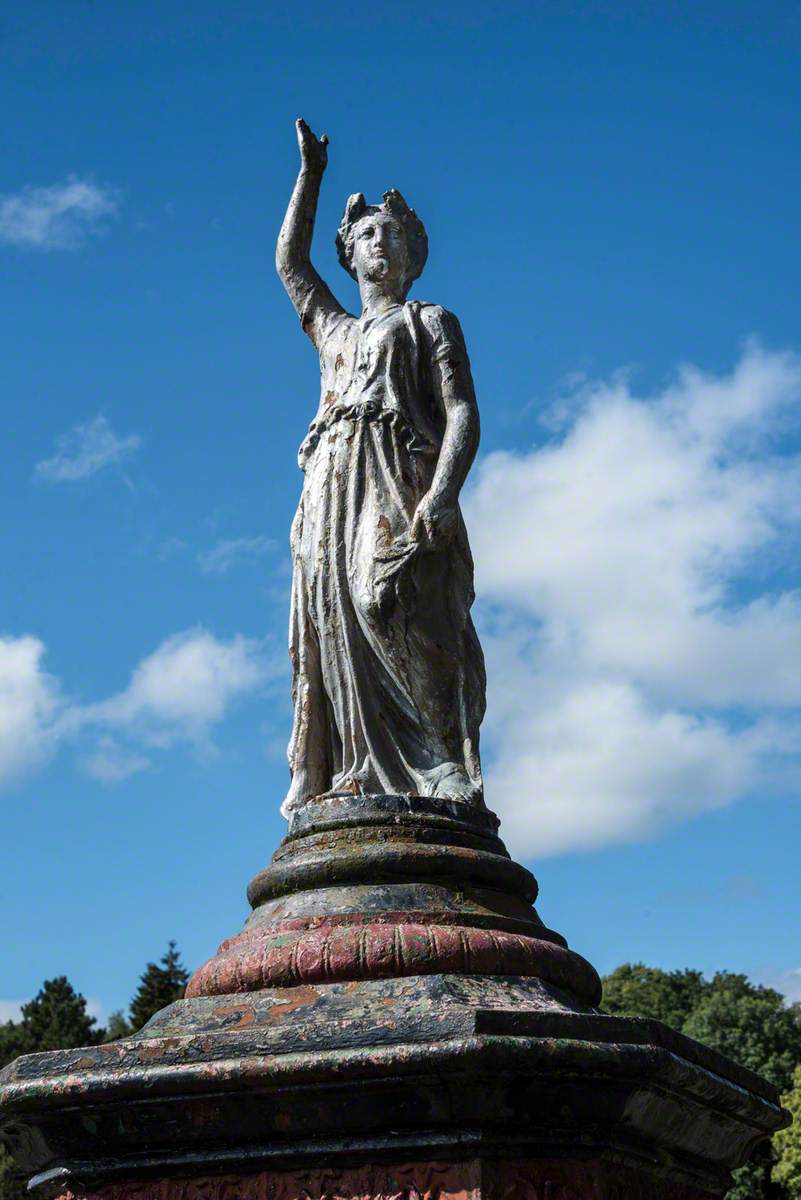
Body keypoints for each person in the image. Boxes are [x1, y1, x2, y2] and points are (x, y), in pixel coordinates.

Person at [276, 118, 486, 817]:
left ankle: (433, 758)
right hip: (331, 478)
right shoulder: (334, 329)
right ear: (349, 252)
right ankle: (355, 765)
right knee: (330, 616)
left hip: (398, 471)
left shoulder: (429, 320)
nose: (381, 243)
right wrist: (310, 176)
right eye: (369, 234)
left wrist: (444, 495)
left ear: (413, 254)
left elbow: (460, 412)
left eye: (393, 234)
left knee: (387, 599)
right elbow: (289, 265)